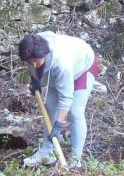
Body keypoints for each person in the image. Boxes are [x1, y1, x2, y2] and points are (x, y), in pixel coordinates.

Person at [18, 31, 99, 168]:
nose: (33, 64)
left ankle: (75, 159)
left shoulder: (61, 64)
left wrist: (58, 125)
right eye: (30, 61)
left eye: (35, 61)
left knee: (75, 111)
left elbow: (66, 98)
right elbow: (32, 64)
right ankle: (46, 152)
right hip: (62, 65)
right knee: (49, 108)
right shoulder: (33, 45)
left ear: (43, 54)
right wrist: (35, 80)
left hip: (83, 66)